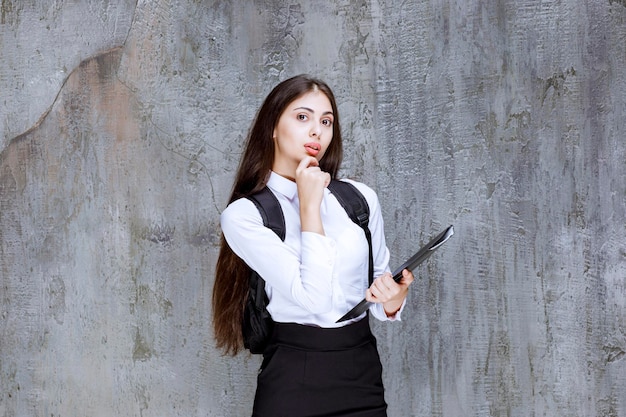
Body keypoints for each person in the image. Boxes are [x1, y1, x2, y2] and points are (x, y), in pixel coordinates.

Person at [212, 74, 414, 417]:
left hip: (360, 370)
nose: (316, 131)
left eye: (326, 121)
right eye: (302, 117)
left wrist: (394, 298)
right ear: (272, 127)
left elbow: (377, 293)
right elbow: (315, 299)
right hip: (294, 376)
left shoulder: (360, 199)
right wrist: (308, 205)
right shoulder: (245, 215)